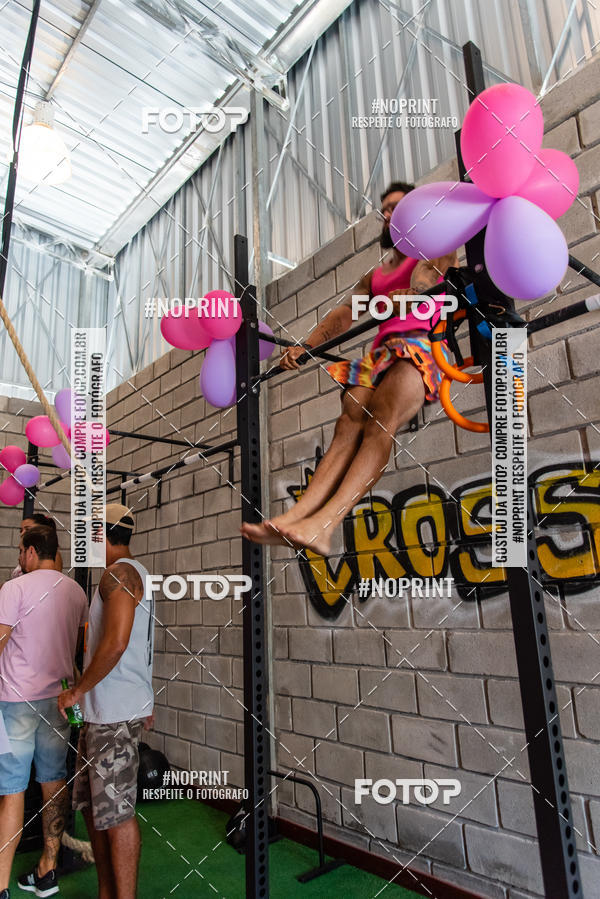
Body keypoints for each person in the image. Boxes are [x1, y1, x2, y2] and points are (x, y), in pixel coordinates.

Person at [241, 181, 458, 557]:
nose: (388, 214)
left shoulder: (435, 247)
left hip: (422, 347)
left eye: (397, 207)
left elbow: (427, 280)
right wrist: (305, 347)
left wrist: (415, 292)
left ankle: (324, 526)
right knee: (348, 421)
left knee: (380, 421)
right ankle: (296, 517)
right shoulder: (377, 273)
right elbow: (343, 315)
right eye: (385, 210)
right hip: (379, 356)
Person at [58, 504, 154, 899]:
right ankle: (106, 893)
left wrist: (77, 690)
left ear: (102, 533)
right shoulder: (127, 573)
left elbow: (116, 645)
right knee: (98, 810)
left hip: (113, 714)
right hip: (107, 712)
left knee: (117, 815)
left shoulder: (121, 573)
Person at [0, 526, 87, 899]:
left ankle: (0, 886)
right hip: (58, 701)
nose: (20, 558)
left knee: (12, 792)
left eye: (22, 551)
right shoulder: (77, 592)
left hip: (16, 702)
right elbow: (80, 650)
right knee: (53, 783)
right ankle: (47, 872)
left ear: (33, 551)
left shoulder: (13, 589)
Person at [10, 515, 63, 579]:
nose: (22, 533)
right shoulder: (26, 550)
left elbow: (52, 580)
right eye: (21, 530)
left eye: (27, 529)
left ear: (41, 529)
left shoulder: (51, 554)